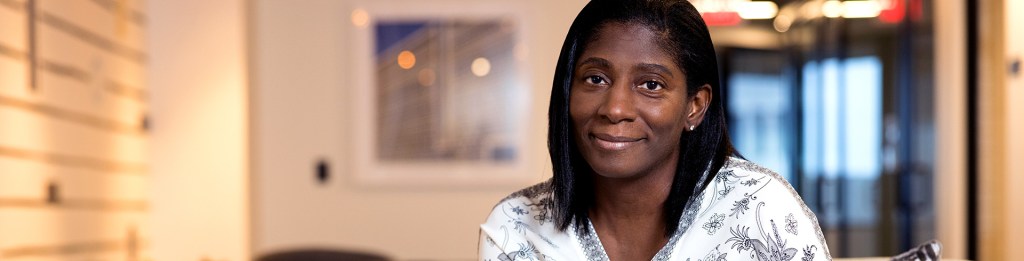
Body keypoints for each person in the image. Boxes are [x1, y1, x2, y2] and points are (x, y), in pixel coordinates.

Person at [479, 0, 831, 260]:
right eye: (595, 78)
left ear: (695, 105)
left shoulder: (760, 211)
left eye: (650, 84)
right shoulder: (515, 227)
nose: (615, 109)